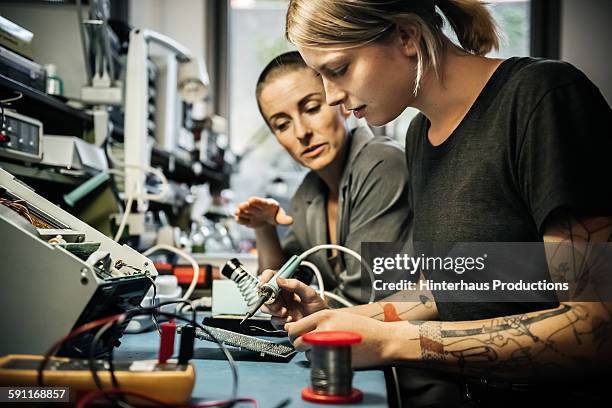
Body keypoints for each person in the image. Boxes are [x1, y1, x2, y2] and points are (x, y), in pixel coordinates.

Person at [260, 0, 612, 406]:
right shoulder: (420, 137)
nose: (332, 96)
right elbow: (449, 288)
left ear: (407, 36)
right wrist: (338, 319)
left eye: (338, 70)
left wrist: (395, 342)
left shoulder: (541, 98)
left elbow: (596, 328)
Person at [235, 51, 412, 304]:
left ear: (341, 102)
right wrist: (264, 228)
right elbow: (277, 288)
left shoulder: (383, 165)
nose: (301, 132)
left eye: (311, 108)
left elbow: (366, 298)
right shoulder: (308, 194)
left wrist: (300, 307)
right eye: (282, 125)